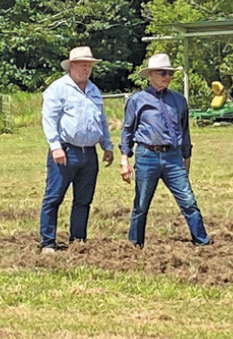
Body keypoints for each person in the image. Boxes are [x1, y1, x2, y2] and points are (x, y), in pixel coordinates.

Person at [119, 53, 210, 248]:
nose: (167, 77)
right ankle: (135, 245)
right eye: (162, 73)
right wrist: (124, 160)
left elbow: (185, 132)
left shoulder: (179, 100)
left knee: (188, 201)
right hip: (146, 155)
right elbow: (127, 131)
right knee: (141, 204)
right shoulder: (137, 101)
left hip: (173, 157)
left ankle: (202, 243)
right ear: (151, 74)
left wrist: (186, 159)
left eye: (169, 73)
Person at [39, 46, 115, 253]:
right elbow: (49, 119)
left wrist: (106, 145)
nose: (86, 69)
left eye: (89, 66)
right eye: (83, 65)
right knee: (54, 196)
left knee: (84, 199)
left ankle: (78, 240)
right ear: (72, 65)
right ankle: (47, 242)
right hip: (66, 149)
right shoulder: (58, 89)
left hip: (89, 152)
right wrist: (55, 146)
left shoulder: (93, 90)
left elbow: (101, 120)